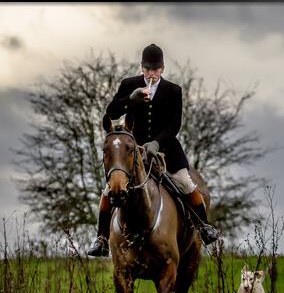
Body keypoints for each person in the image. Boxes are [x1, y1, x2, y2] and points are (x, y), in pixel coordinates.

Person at [87, 43, 220, 257]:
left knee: (186, 182)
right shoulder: (129, 84)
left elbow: (174, 125)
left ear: (162, 68)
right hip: (133, 149)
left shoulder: (173, 90)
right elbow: (111, 112)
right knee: (109, 189)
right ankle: (102, 239)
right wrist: (130, 99)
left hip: (166, 147)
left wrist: (157, 142)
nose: (152, 73)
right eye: (148, 69)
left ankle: (204, 227)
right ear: (142, 68)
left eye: (155, 69)